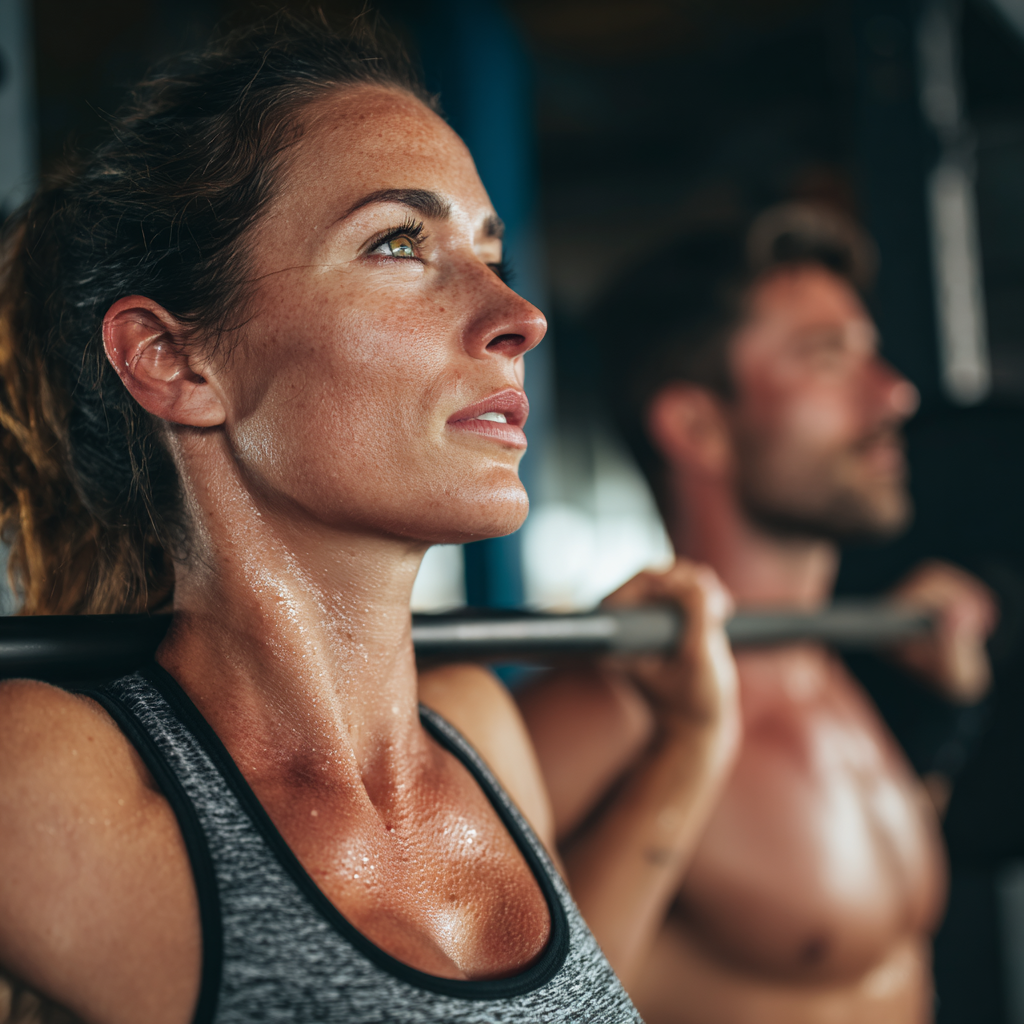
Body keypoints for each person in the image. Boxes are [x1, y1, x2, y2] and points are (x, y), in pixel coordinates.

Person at [0, 17, 741, 1024]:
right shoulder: (50, 769)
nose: (518, 312)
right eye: (399, 242)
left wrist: (690, 746)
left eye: (488, 249)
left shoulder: (478, 728)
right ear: (177, 362)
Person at [516, 204, 999, 1023]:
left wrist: (939, 717)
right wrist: (684, 755)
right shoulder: (603, 713)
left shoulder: (842, 680)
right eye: (827, 358)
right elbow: (500, 1008)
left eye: (872, 354)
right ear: (698, 426)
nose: (894, 392)